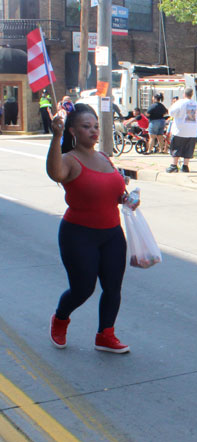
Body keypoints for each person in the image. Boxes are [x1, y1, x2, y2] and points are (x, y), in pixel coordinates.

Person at [46, 103, 137, 354]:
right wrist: (56, 137)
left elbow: (116, 193)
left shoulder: (104, 158)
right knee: (83, 288)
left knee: (113, 288)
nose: (94, 131)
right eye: (86, 127)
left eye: (96, 126)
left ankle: (105, 335)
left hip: (112, 234)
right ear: (73, 131)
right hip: (78, 234)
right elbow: (55, 173)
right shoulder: (68, 159)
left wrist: (128, 199)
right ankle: (60, 319)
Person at [165, 87, 197, 173]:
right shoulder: (195, 103)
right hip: (192, 131)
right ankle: (185, 166)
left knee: (176, 147)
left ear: (184, 94)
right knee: (188, 149)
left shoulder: (180, 102)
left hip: (180, 130)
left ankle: (174, 165)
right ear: (191, 95)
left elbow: (171, 112)